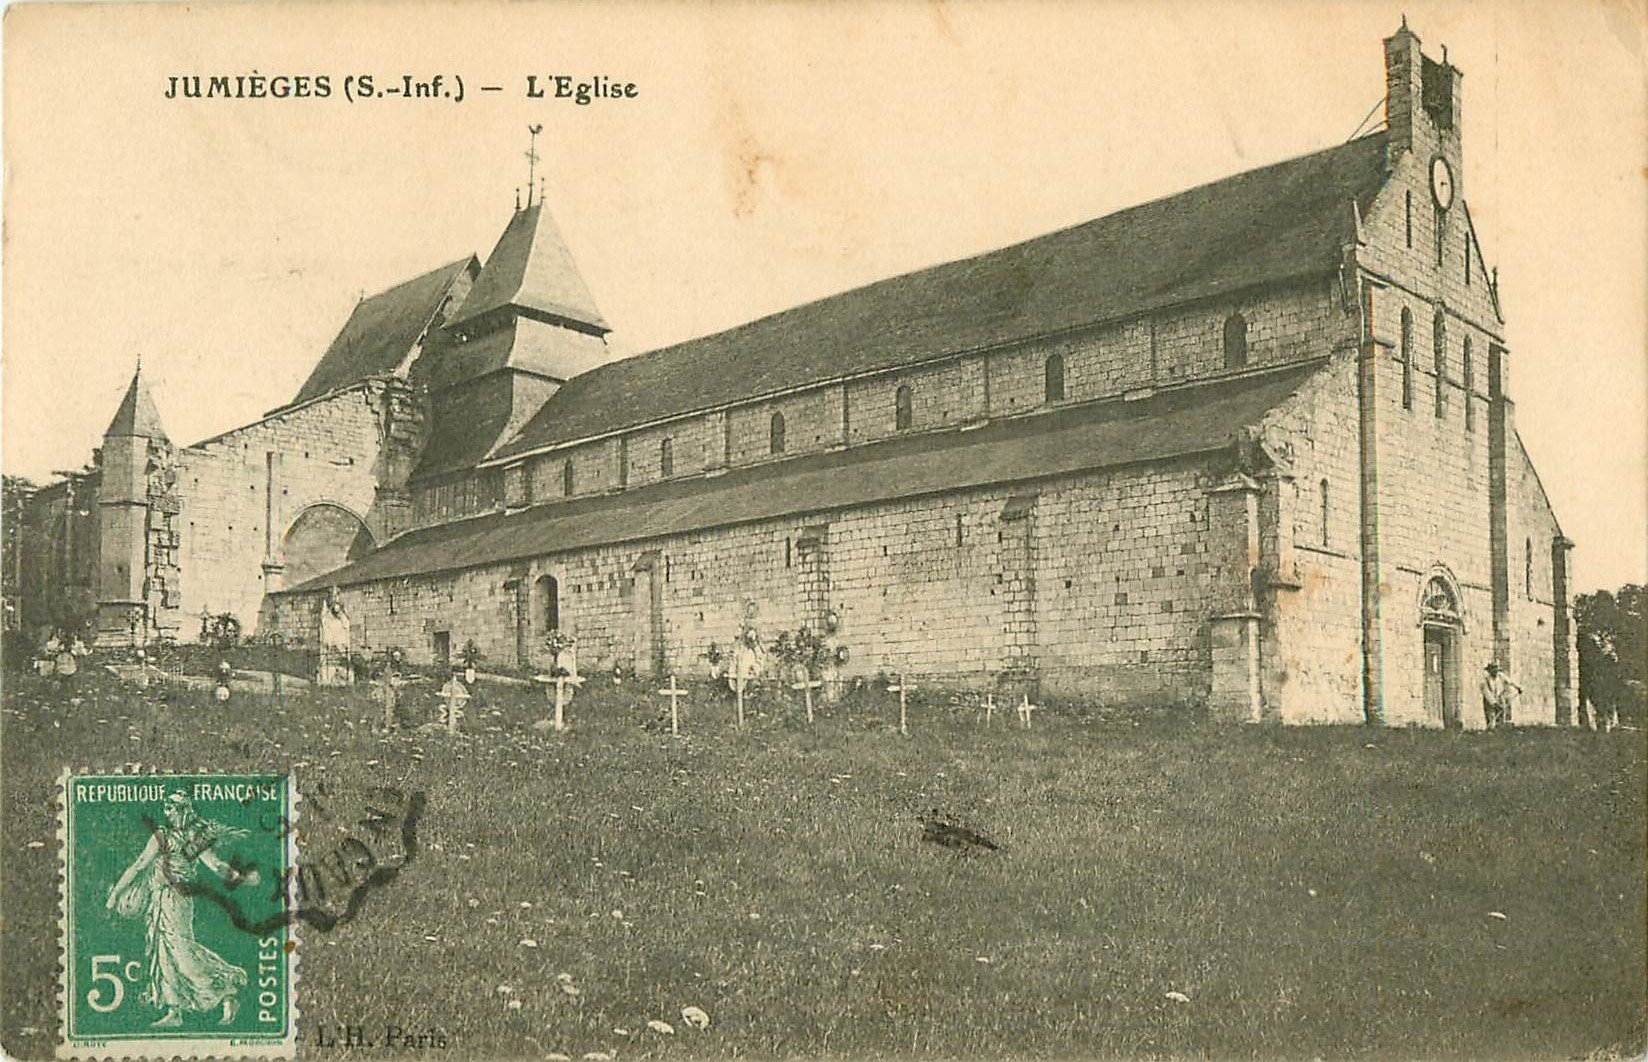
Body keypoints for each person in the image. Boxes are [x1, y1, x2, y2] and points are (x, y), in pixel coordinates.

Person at [105, 793, 259, 1027]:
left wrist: (242, 879)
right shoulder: (161, 837)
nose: (168, 813)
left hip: (179, 901)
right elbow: (139, 866)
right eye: (166, 809)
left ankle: (227, 990)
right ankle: (174, 1012)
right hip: (158, 900)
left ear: (184, 811)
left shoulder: (194, 840)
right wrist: (116, 893)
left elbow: (216, 866)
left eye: (172, 808)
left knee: (183, 954)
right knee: (164, 954)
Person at [317, 590, 353, 687]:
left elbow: (346, 623)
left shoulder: (342, 618)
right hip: (331, 646)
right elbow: (324, 622)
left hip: (340, 645)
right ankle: (328, 679)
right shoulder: (327, 618)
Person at [1480, 662, 1522, 730]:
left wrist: (1518, 687)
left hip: (1499, 698)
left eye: (1496, 670)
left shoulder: (1501, 676)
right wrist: (1495, 704)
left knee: (1501, 717)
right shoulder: (1484, 681)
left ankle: (1500, 732)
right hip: (1489, 702)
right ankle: (1490, 732)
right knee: (1492, 718)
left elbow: (1510, 682)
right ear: (1489, 671)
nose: (1495, 672)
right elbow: (1487, 694)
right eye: (1493, 670)